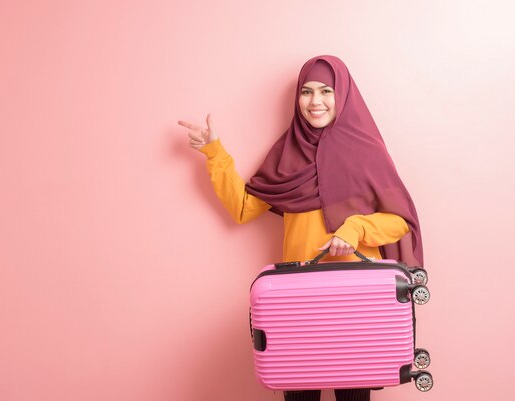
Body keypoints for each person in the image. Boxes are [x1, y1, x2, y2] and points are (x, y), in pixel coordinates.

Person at [178, 55, 423, 401]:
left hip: (355, 302)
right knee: (299, 393)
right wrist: (214, 152)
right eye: (306, 92)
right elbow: (244, 209)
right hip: (298, 302)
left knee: (353, 395)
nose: (315, 102)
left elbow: (400, 220)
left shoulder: (367, 152)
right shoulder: (287, 153)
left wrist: (355, 228)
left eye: (326, 91)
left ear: (342, 94)